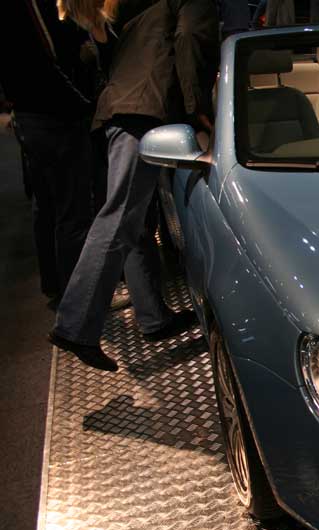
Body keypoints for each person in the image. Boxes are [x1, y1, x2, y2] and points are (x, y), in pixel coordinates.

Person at [49, 0, 220, 371]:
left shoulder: (144, 7)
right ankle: (75, 327)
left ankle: (152, 317)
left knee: (134, 222)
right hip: (142, 113)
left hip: (121, 109)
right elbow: (190, 38)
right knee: (120, 219)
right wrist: (197, 110)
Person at [0, 0, 95, 307]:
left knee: (46, 205)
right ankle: (78, 302)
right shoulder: (31, 9)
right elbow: (49, 60)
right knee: (73, 212)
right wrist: (83, 105)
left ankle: (54, 284)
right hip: (55, 116)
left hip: (29, 116)